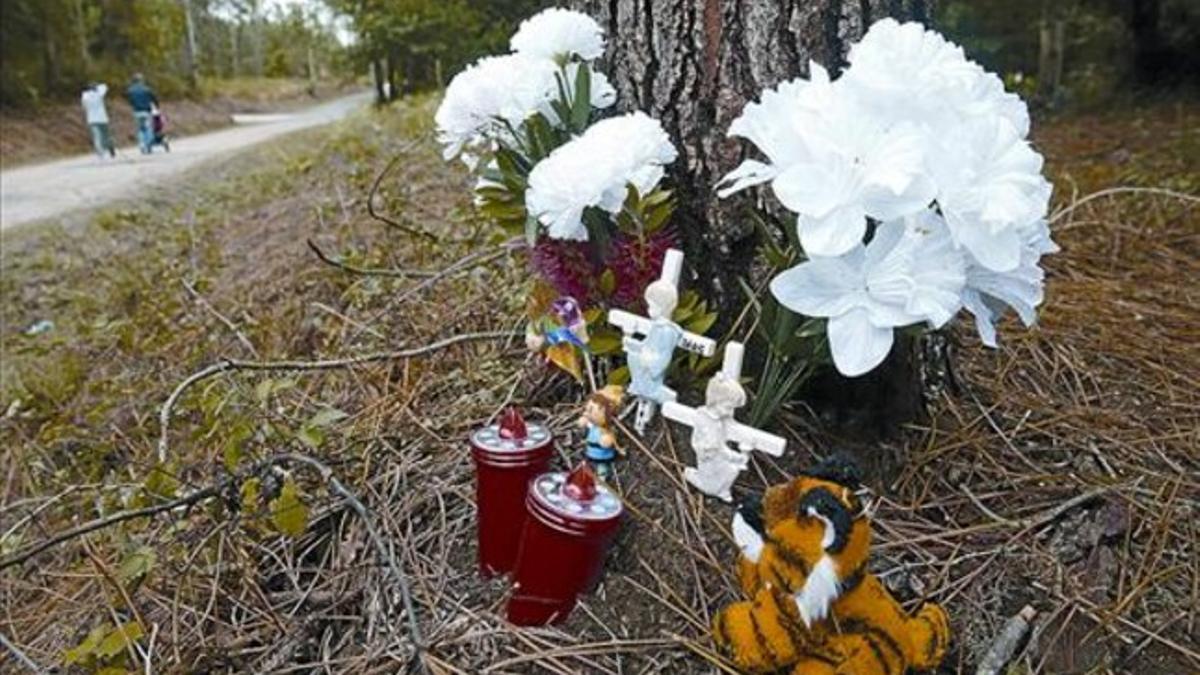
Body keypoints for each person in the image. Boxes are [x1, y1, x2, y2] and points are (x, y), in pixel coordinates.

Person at [125, 74, 159, 154]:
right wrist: (156, 106)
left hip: (137, 112)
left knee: (140, 129)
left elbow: (129, 100)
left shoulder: (130, 90)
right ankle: (148, 145)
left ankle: (141, 144)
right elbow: (154, 98)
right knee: (148, 128)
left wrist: (133, 105)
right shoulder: (147, 89)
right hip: (146, 111)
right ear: (141, 80)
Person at [80, 82, 115, 159]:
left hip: (91, 119)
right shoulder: (99, 93)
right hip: (102, 118)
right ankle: (110, 147)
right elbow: (104, 86)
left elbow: (83, 106)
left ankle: (100, 153)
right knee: (106, 135)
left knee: (96, 137)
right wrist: (97, 87)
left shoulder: (85, 96)